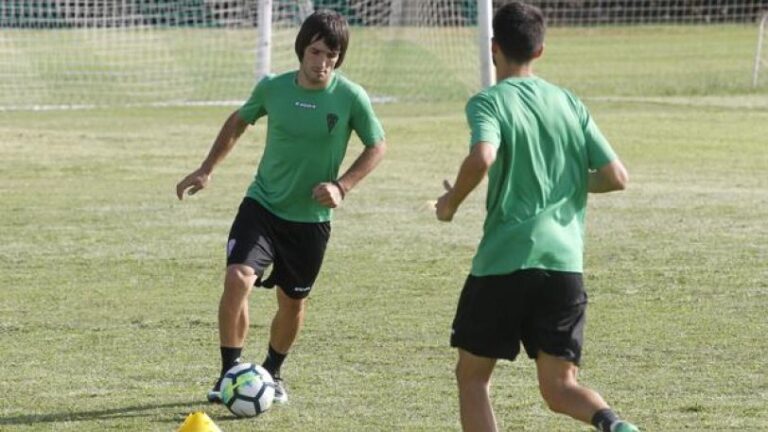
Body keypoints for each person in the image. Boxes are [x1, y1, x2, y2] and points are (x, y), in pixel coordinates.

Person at [435, 2, 638, 432]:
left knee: (472, 378)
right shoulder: (568, 102)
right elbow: (616, 177)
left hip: (505, 260)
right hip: (564, 264)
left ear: (493, 47)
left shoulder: (489, 101)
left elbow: (483, 156)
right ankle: (614, 425)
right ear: (540, 50)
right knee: (560, 388)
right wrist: (564, 183)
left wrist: (450, 202)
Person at [176, 9, 386, 405]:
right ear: (301, 49)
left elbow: (377, 145)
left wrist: (342, 186)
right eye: (316, 52)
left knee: (292, 302)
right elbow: (238, 121)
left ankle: (272, 372)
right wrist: (206, 169)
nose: (322, 63)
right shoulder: (272, 88)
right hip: (262, 206)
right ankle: (230, 374)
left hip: (310, 220)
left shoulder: (350, 97)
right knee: (238, 278)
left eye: (331, 56)